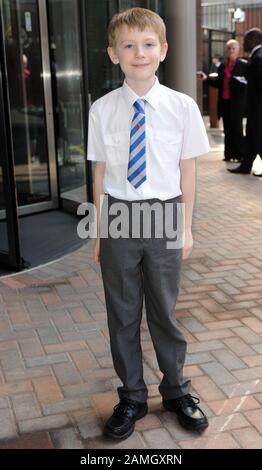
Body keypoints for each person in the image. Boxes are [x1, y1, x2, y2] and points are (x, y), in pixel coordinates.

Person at [87, 7, 210, 441]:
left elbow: (187, 171)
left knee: (164, 310)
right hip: (119, 215)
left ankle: (176, 390)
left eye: (148, 44)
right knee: (121, 313)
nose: (139, 52)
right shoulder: (101, 110)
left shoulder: (182, 107)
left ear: (163, 51)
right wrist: (100, 230)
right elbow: (101, 174)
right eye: (128, 45)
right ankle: (133, 396)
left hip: (164, 215)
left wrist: (187, 227)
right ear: (113, 54)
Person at [198, 40, 247, 162]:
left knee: (237, 129)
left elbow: (248, 84)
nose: (231, 51)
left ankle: (240, 155)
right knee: (228, 129)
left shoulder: (243, 65)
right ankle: (229, 155)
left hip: (237, 103)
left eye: (233, 48)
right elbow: (218, 83)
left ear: (238, 50)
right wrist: (206, 78)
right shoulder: (223, 66)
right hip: (225, 102)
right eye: (229, 48)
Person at [228, 28, 262, 176]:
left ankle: (246, 165)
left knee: (258, 136)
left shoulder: (259, 57)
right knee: (251, 137)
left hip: (258, 107)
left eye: (246, 40)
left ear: (253, 40)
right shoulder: (256, 55)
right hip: (255, 107)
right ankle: (246, 165)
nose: (244, 43)